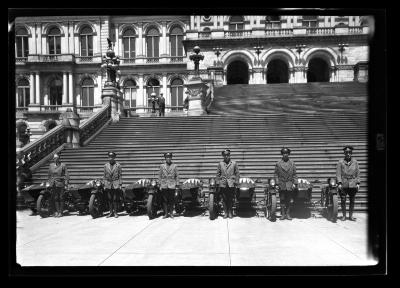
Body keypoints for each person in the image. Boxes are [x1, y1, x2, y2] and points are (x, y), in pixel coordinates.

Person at [336, 145, 360, 221]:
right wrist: (339, 183)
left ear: (351, 153)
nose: (348, 154)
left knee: (352, 201)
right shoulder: (340, 162)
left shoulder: (355, 162)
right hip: (344, 183)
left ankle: (350, 216)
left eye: (349, 152)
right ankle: (344, 216)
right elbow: (338, 173)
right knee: (343, 200)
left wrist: (358, 183)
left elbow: (358, 173)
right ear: (344, 153)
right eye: (346, 152)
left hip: (353, 184)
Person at [274, 147, 298, 220]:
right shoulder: (278, 163)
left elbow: (295, 174)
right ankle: (283, 214)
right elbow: (276, 175)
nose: (285, 154)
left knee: (289, 200)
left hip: (289, 184)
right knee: (282, 199)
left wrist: (295, 183)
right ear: (282, 154)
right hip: (282, 184)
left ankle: (288, 214)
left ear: (288, 154)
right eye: (284, 153)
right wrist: (277, 184)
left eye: (287, 153)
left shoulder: (292, 163)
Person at [216, 149, 240, 219]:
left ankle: (230, 212)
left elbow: (237, 173)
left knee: (230, 198)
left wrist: (236, 181)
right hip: (223, 184)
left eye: (228, 155)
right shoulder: (220, 164)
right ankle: (225, 213)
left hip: (231, 184)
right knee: (224, 199)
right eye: (225, 155)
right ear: (223, 156)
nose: (226, 156)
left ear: (229, 155)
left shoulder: (234, 163)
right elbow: (218, 174)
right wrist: (218, 182)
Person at [158, 152, 180, 218]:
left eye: (169, 157)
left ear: (171, 158)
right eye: (167, 157)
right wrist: (160, 185)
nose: (168, 158)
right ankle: (166, 214)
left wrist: (177, 185)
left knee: (171, 200)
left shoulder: (174, 166)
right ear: (165, 158)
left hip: (172, 185)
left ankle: (171, 213)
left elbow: (177, 176)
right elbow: (160, 176)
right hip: (164, 185)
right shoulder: (162, 166)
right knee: (164, 200)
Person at [48, 153, 69, 217]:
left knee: (61, 197)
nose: (55, 159)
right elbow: (49, 175)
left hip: (60, 183)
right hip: (53, 183)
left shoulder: (63, 165)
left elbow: (66, 175)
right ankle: (57, 211)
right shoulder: (51, 165)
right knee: (55, 197)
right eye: (54, 158)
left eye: (57, 158)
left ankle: (61, 212)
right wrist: (50, 182)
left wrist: (66, 183)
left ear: (59, 158)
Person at [103, 151, 122, 218]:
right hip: (108, 184)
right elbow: (104, 176)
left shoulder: (118, 165)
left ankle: (115, 213)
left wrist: (120, 184)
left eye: (112, 157)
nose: (111, 158)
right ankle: (110, 212)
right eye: (109, 157)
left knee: (115, 199)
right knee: (109, 199)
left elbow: (120, 175)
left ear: (114, 157)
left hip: (115, 183)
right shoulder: (105, 165)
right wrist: (104, 184)